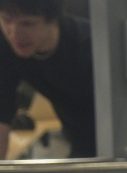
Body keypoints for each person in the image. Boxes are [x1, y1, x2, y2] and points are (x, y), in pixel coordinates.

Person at [0, 0, 96, 159]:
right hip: (76, 137)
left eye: (28, 24)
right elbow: (2, 114)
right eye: (6, 20)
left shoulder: (88, 46)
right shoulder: (6, 44)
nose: (14, 34)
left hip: (112, 134)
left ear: (52, 21)